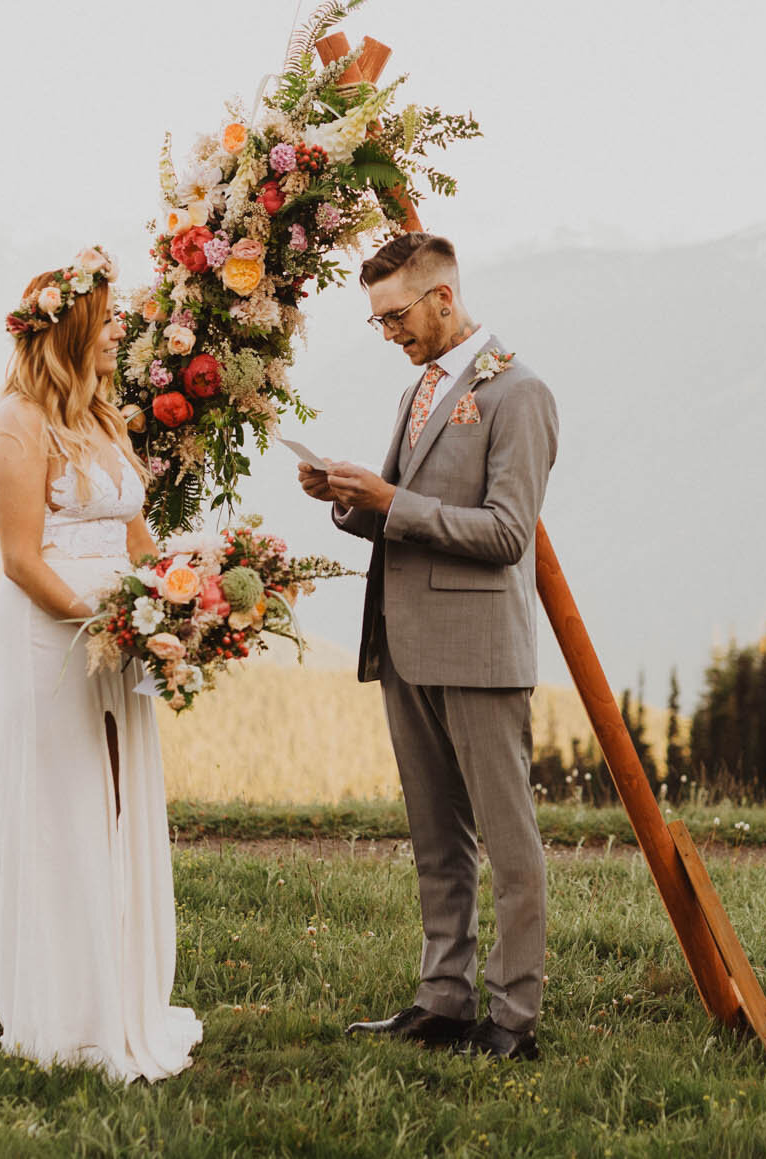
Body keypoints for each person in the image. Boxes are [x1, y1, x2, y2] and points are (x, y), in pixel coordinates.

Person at [298, 231, 559, 1061]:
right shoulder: (422, 389)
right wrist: (344, 496)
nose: (390, 334)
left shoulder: (520, 393)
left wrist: (389, 500)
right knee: (435, 838)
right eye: (378, 322)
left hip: (480, 649)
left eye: (396, 316)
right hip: (405, 641)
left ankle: (513, 1019)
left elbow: (509, 533)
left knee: (509, 844)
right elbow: (397, 504)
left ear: (444, 297)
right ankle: (443, 997)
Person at [0, 247, 201, 1082]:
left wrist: (177, 596)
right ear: (74, 327)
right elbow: (19, 558)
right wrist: (109, 618)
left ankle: (126, 994)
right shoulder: (16, 422)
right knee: (67, 804)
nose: (120, 332)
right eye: (109, 319)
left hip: (119, 637)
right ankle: (65, 1009)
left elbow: (133, 533)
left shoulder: (105, 419)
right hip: (53, 636)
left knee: (118, 803)